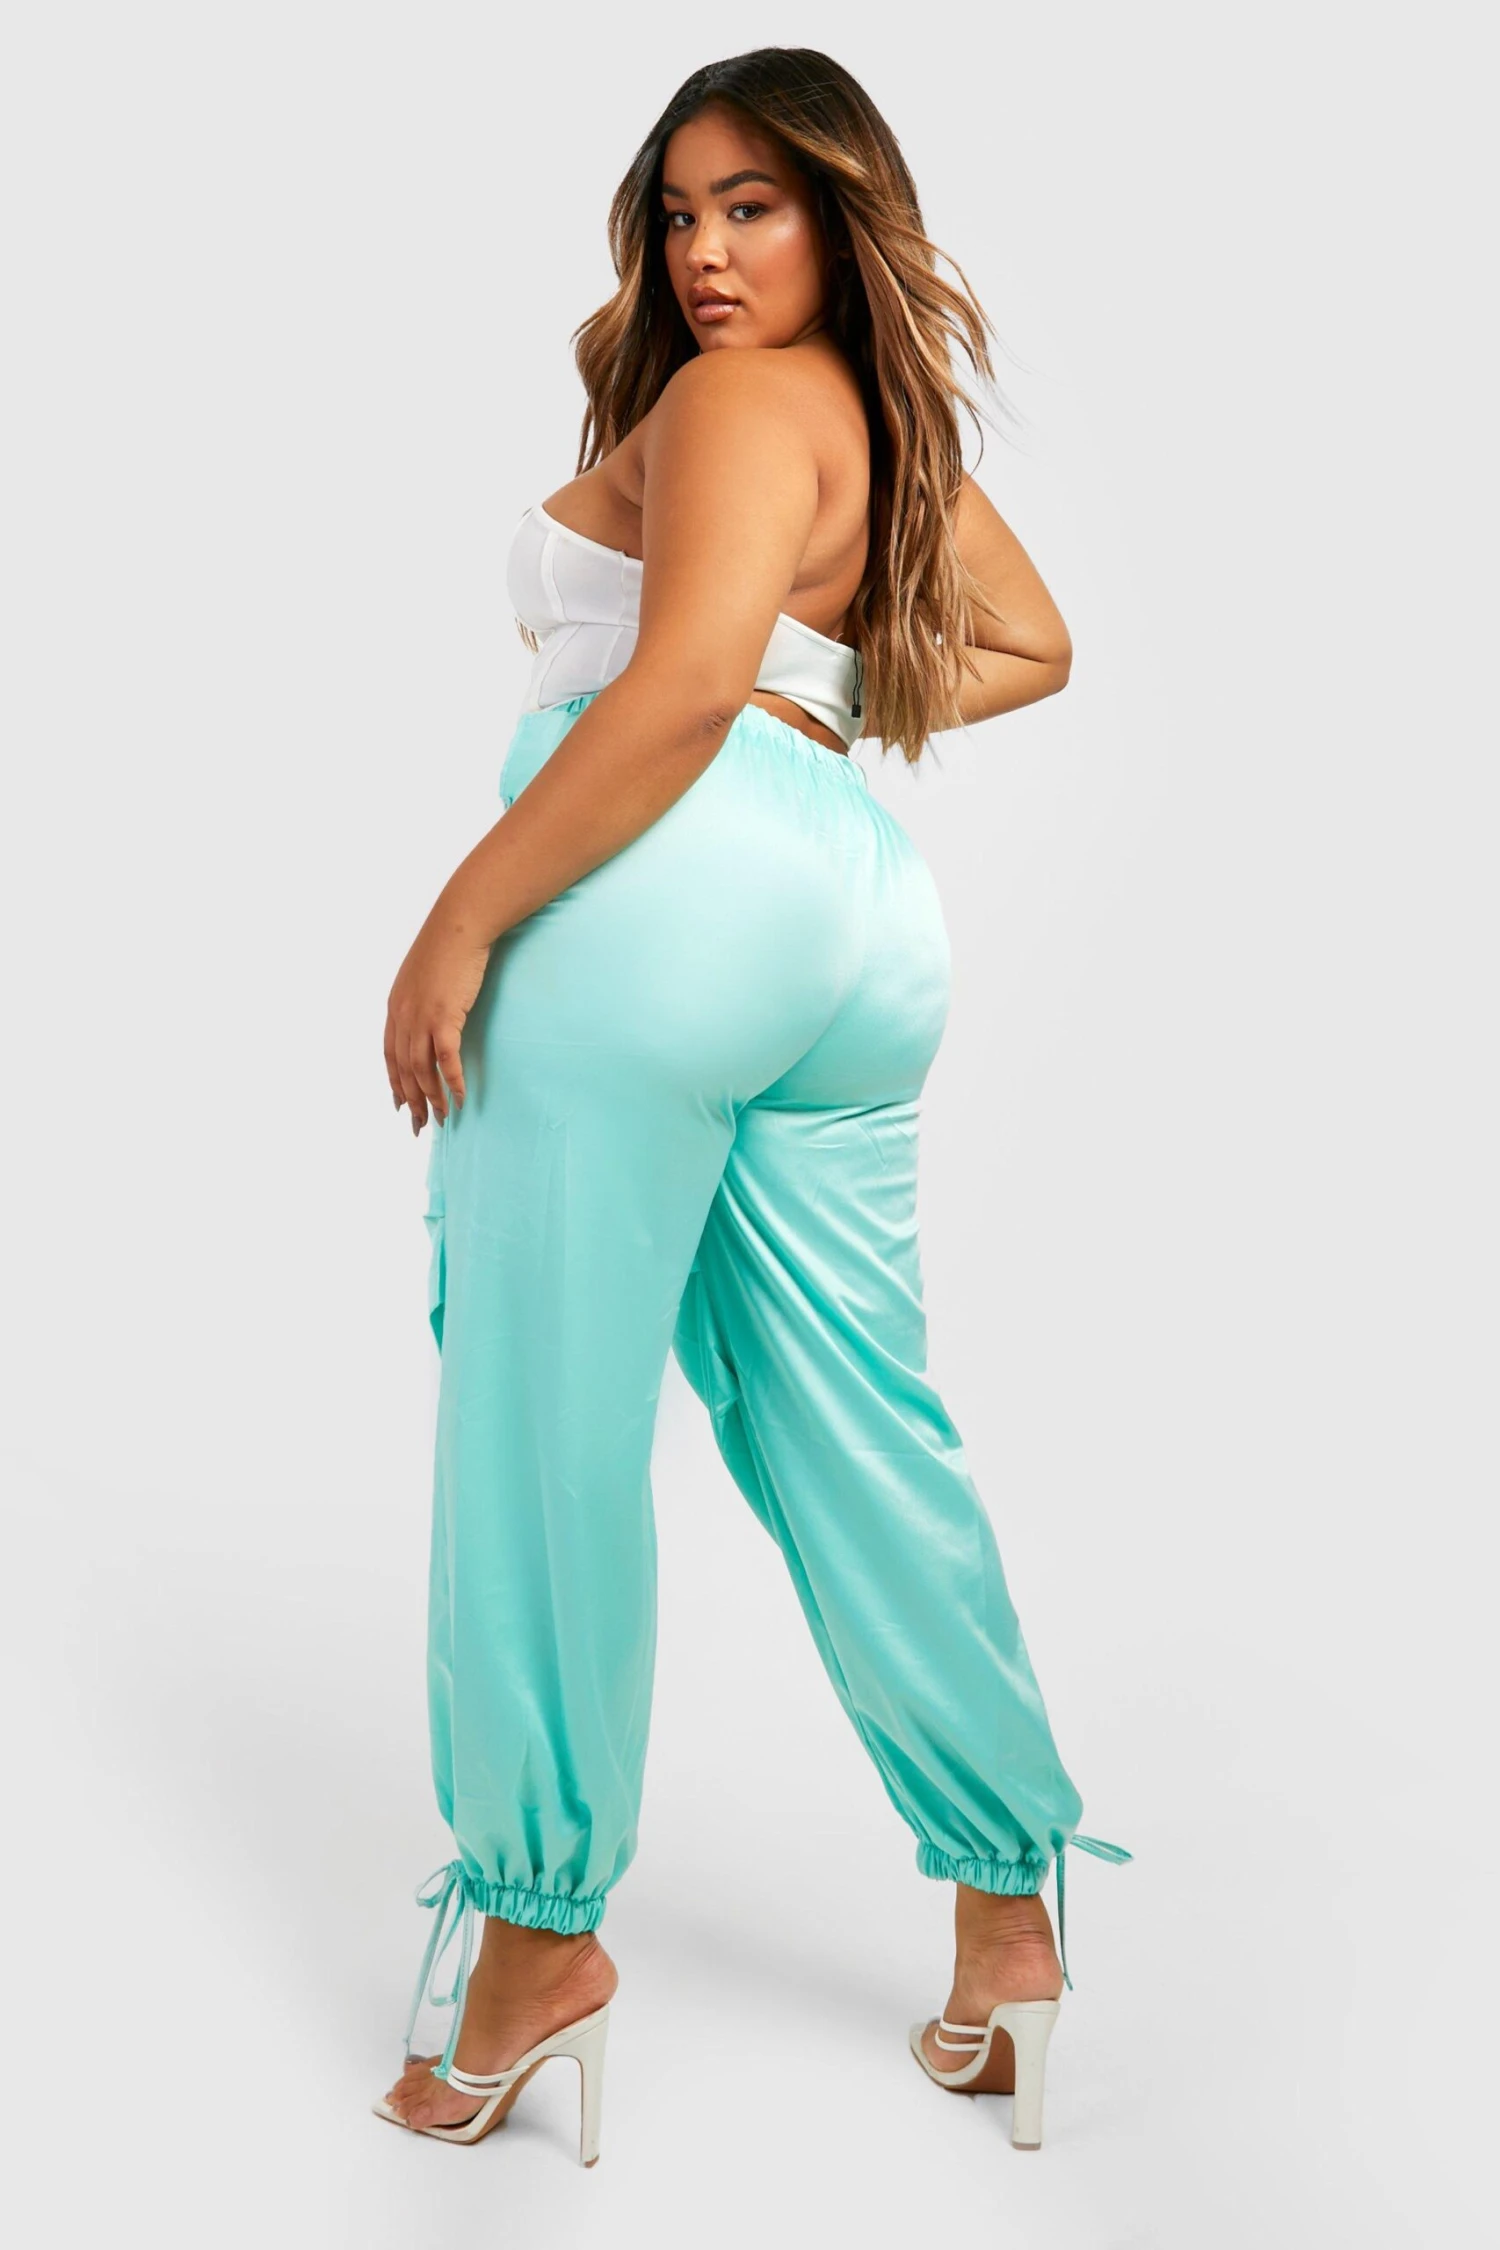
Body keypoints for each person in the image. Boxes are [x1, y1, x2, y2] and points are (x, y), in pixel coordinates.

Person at [374, 47, 1129, 2162]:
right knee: (858, 1422)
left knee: (542, 1417)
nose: (707, 251)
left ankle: (537, 1942)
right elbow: (1032, 645)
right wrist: (839, 687)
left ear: (838, 208)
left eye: (755, 207)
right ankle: (1006, 1916)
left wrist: (460, 917)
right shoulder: (878, 427)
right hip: (851, 929)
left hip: (653, 901)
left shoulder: (726, 405)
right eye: (682, 210)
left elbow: (688, 681)